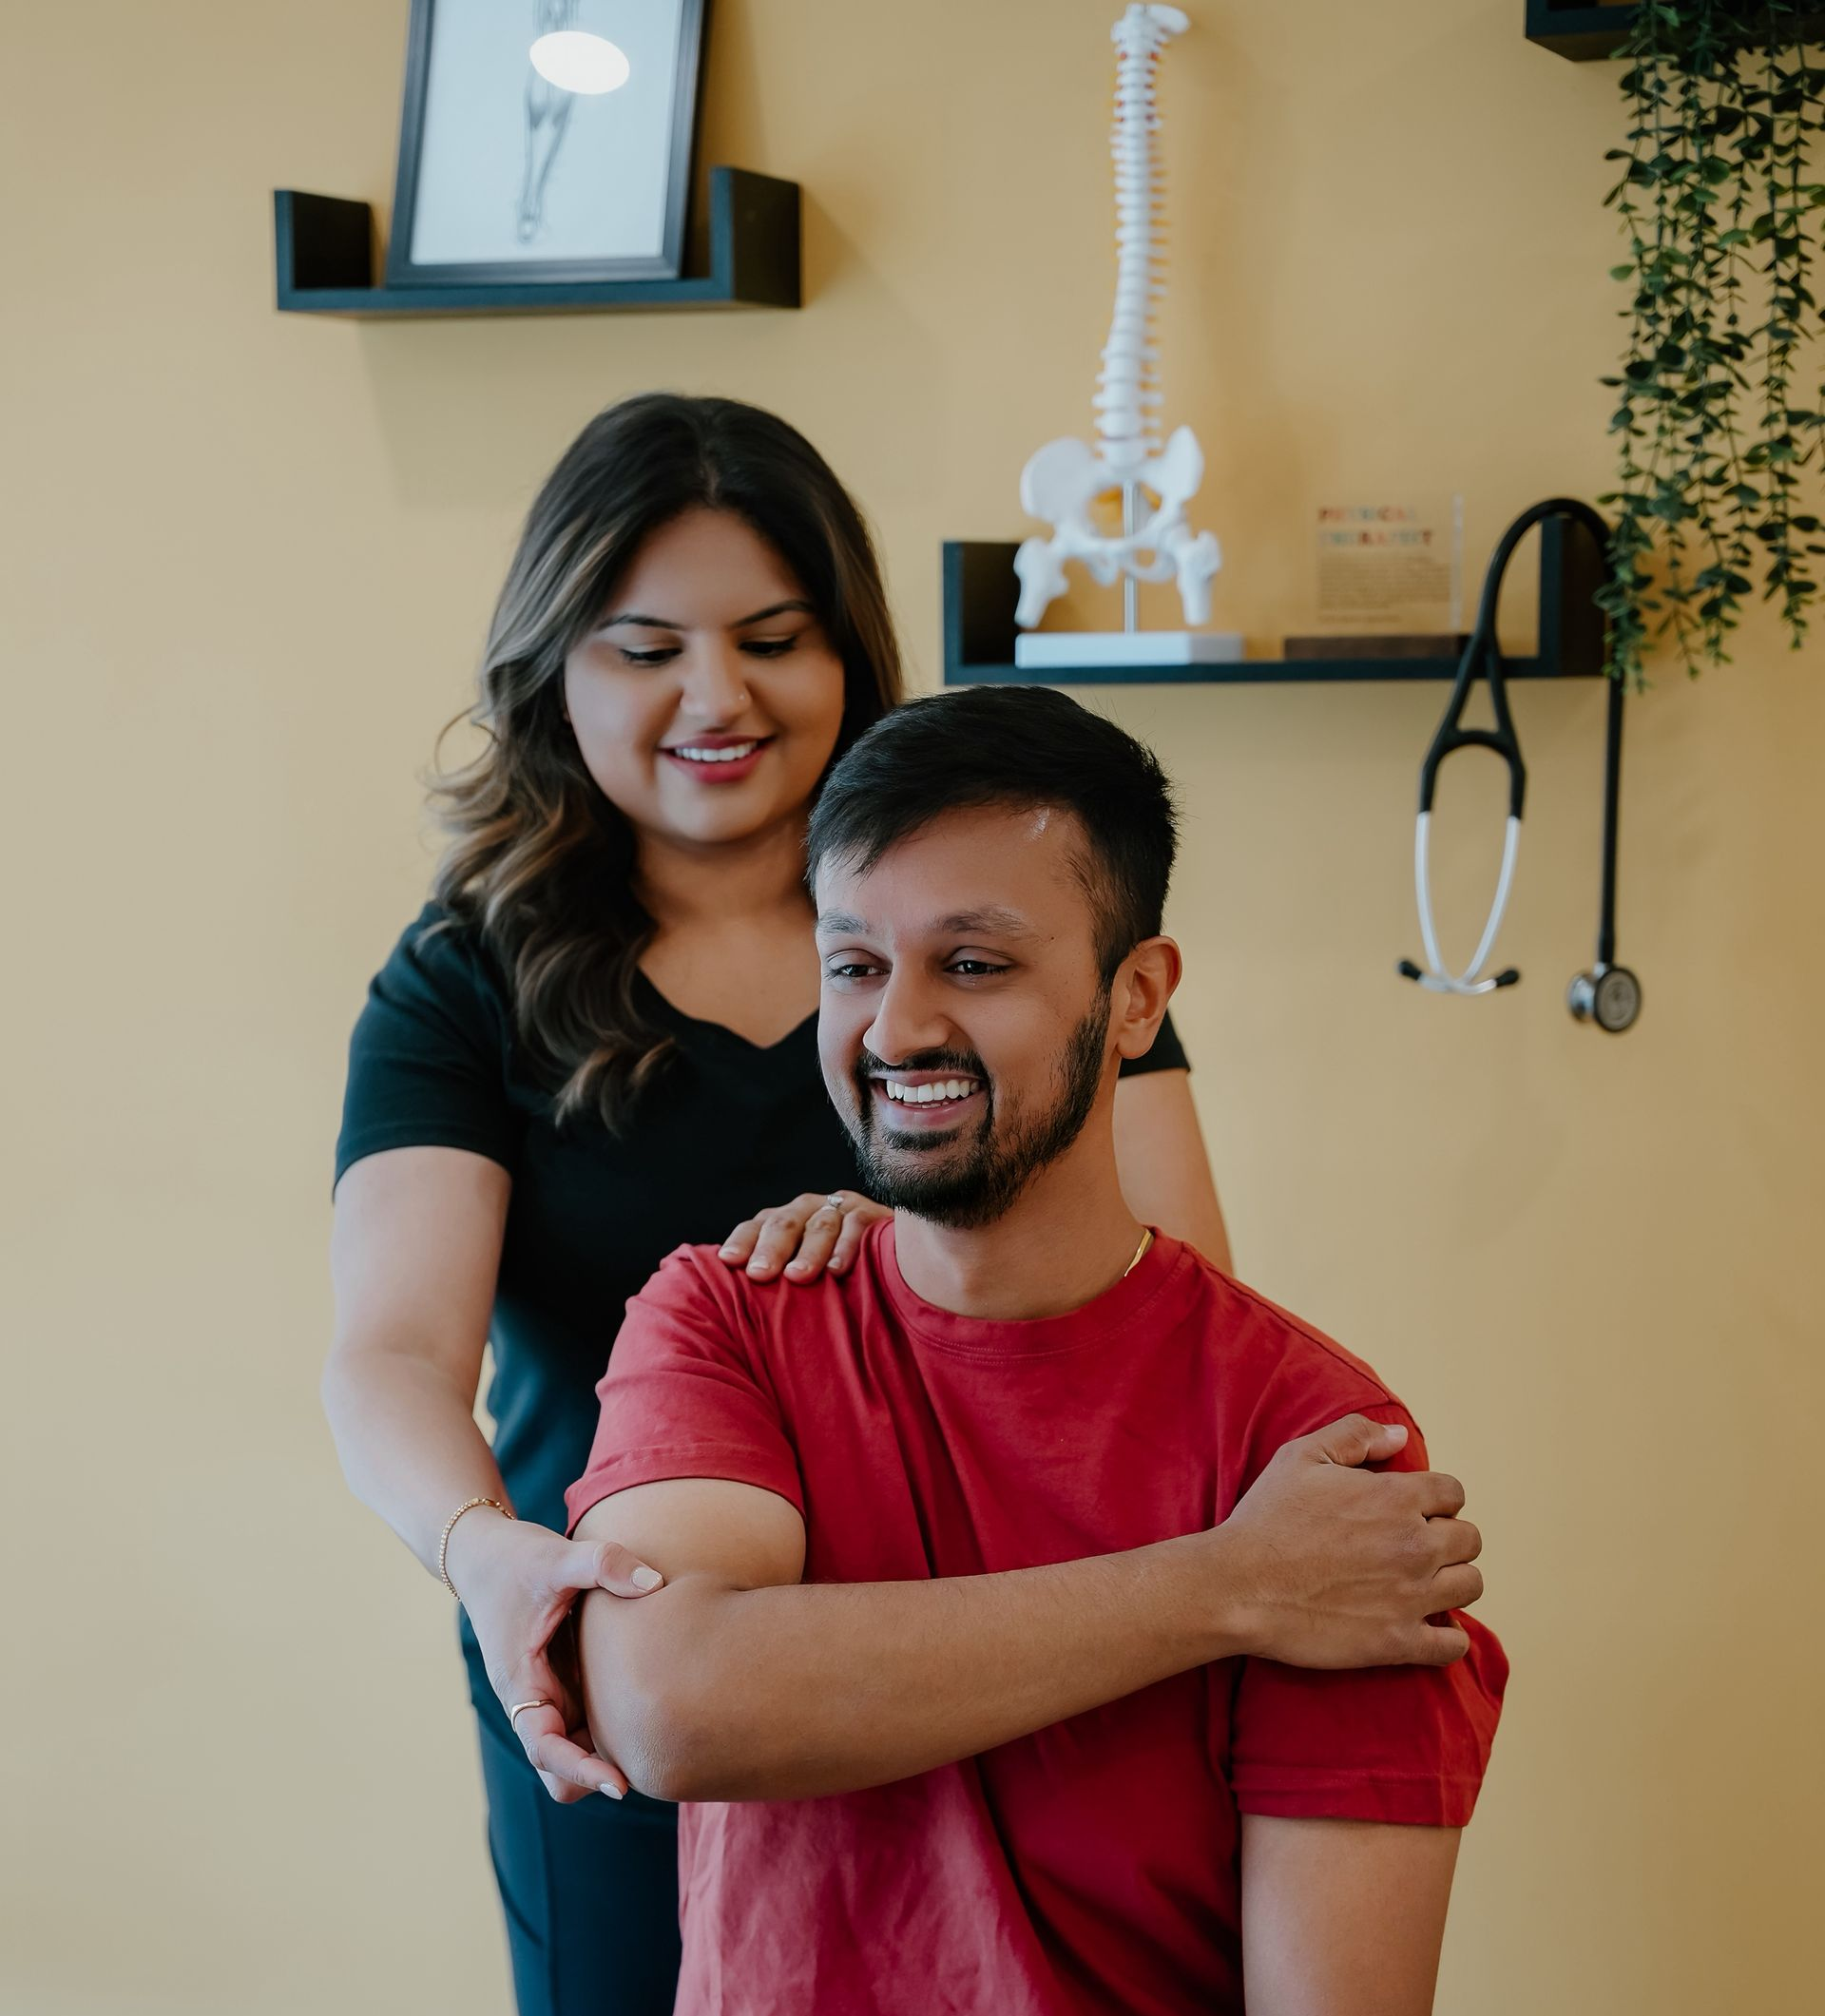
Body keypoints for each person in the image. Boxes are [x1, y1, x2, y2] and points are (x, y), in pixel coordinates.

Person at [323, 394, 1235, 2016]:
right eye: (644, 647)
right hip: (629, 1668)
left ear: (850, 651)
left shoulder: (1003, 915)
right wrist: (488, 1558)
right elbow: (392, 1354)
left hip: (1012, 1633)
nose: (716, 698)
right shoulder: (466, 976)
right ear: (558, 668)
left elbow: (1174, 1287)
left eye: (773, 637)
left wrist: (907, 1229)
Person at [565, 685, 1508, 2016]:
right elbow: (673, 1705)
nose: (895, 1032)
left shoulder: (1314, 1449)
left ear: (1135, 999)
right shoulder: (727, 1317)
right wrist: (1228, 1587)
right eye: (853, 965)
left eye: (974, 963)